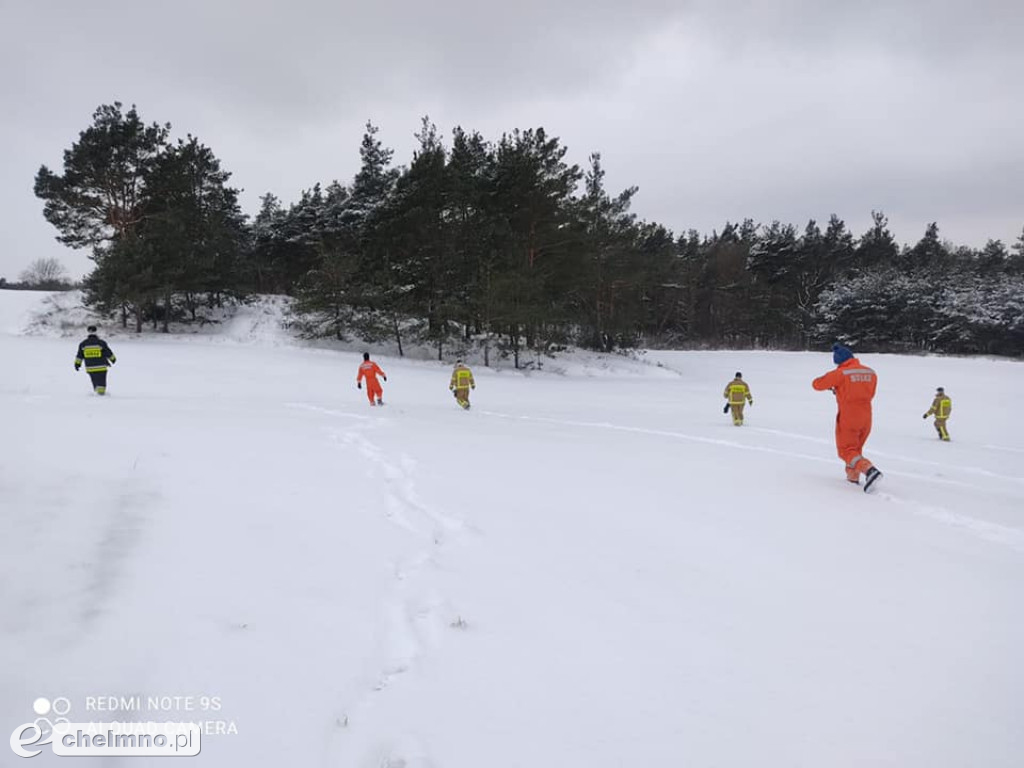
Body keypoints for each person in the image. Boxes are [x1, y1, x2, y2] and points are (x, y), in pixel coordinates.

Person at [812, 343, 883, 492]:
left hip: (849, 415)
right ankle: (852, 478)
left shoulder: (841, 373)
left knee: (845, 450)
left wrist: (837, 387)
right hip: (867, 415)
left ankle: (870, 470)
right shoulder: (871, 372)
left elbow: (817, 384)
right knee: (855, 449)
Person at [74, 325, 116, 395]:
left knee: (95, 381)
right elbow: (108, 352)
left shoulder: (83, 344)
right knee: (102, 382)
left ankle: (96, 393)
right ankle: (101, 396)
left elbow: (79, 355)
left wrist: (77, 364)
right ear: (96, 332)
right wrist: (113, 359)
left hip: (90, 368)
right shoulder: (101, 343)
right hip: (101, 367)